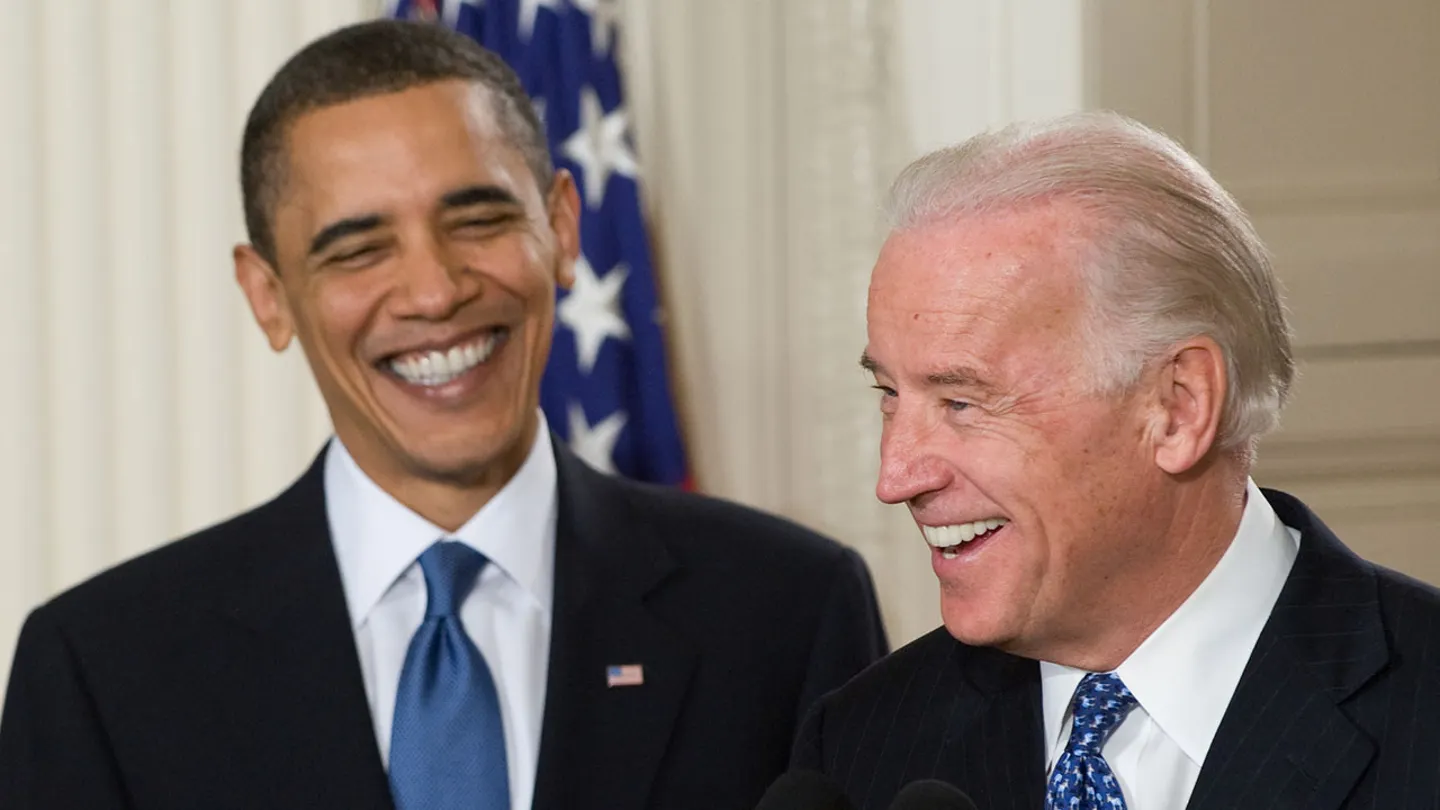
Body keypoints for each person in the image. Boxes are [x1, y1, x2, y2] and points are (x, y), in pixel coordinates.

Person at [0, 19, 887, 810]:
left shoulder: (786, 610)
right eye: (359, 248)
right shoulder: (103, 670)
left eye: (478, 220)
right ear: (268, 295)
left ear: (563, 229)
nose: (435, 290)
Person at [788, 111, 1440, 809]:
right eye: (889, 393)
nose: (897, 477)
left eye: (962, 403)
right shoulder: (863, 739)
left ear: (1179, 407)